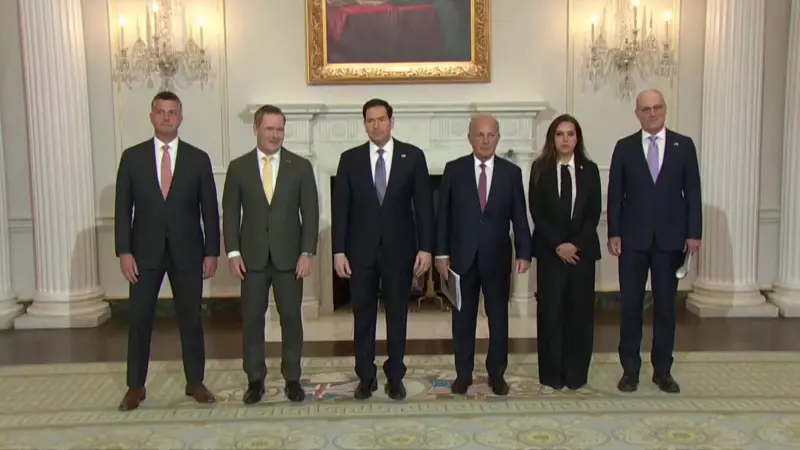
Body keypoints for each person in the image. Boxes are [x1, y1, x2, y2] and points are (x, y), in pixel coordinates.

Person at [114, 91, 220, 411]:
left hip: (188, 252)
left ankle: (195, 381)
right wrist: (124, 251)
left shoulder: (198, 159)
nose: (166, 117)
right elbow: (123, 209)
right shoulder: (132, 158)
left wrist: (212, 252)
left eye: (172, 112)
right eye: (160, 112)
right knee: (139, 318)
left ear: (180, 118)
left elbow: (209, 210)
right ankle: (136, 386)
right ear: (151, 116)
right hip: (143, 254)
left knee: (191, 318)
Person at [332, 98, 435, 400]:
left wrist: (426, 248)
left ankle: (395, 375)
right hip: (359, 253)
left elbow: (424, 207)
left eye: (381, 119)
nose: (376, 125)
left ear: (392, 121)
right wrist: (338, 251)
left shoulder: (412, 156)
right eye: (370, 120)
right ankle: (366, 376)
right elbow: (341, 209)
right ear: (364, 124)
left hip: (399, 251)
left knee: (397, 314)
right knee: (362, 315)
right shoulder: (349, 159)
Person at [221, 105, 319, 404]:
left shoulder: (300, 166)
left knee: (291, 318)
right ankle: (255, 379)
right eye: (269, 129)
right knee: (252, 320)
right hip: (251, 259)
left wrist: (307, 252)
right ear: (256, 129)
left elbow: (311, 213)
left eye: (280, 129)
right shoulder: (238, 168)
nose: (276, 135)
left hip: (290, 258)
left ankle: (292, 378)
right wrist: (233, 252)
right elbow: (230, 213)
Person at [607, 89, 702, 394]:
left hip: (670, 240)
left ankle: (663, 370)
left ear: (664, 109)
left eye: (656, 107)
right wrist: (613, 233)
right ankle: (630, 370)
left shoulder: (683, 146)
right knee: (631, 307)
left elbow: (693, 193)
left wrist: (694, 234)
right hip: (632, 241)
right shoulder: (624, 147)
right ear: (637, 113)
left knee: (664, 309)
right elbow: (615, 194)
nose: (652, 113)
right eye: (645, 109)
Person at [434, 114, 531, 396]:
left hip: (497, 258)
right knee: (462, 319)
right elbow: (443, 216)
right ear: (470, 138)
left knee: (498, 318)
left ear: (498, 138)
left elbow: (519, 216)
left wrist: (524, 252)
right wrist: (441, 253)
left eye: (491, 135)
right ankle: (463, 374)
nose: (486, 140)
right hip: (461, 257)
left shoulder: (511, 173)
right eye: (480, 135)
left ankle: (496, 373)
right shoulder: (454, 170)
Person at [528, 114, 602, 391]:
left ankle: (576, 375)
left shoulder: (590, 170)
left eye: (570, 134)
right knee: (551, 314)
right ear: (552, 138)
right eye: (559, 134)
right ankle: (551, 375)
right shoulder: (540, 169)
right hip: (551, 254)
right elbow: (537, 211)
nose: (565, 139)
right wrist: (558, 245)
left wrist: (575, 244)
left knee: (580, 316)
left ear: (577, 138)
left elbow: (593, 212)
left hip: (582, 255)